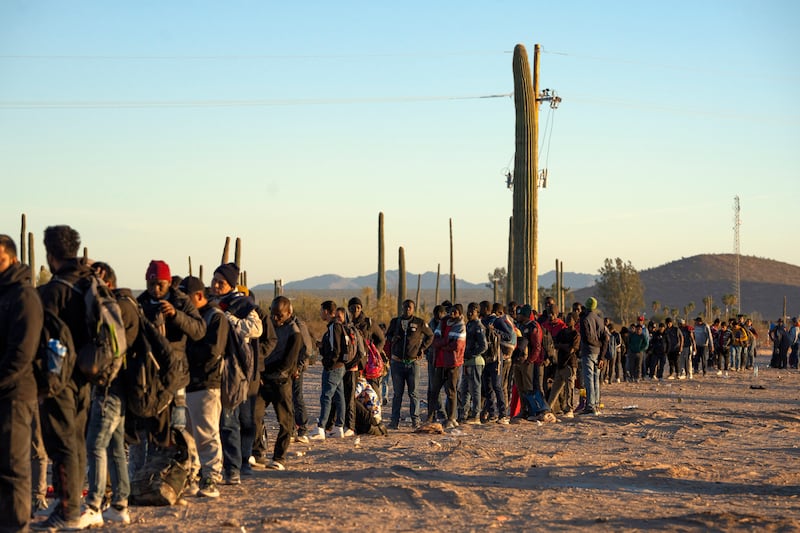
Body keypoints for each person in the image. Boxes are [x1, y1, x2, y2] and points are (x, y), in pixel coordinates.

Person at [130, 260, 206, 478]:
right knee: (147, 431)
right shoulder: (140, 304)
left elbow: (199, 330)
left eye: (160, 284)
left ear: (169, 282)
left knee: (179, 428)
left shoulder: (180, 302)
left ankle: (187, 475)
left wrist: (175, 316)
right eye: (151, 283)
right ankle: (144, 478)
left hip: (177, 376)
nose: (155, 289)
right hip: (148, 378)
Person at [82, 262, 137, 525]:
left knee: (96, 444)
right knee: (115, 448)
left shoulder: (116, 308)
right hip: (120, 388)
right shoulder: (129, 305)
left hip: (110, 388)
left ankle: (94, 504)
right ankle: (119, 505)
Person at [0, 235, 42, 532]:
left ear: (12, 258)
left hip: (15, 395)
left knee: (14, 469)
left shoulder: (23, 295)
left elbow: (22, 353)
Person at [211, 263, 263, 484]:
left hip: (235, 369)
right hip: (210, 368)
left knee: (234, 419)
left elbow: (256, 330)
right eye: (214, 280)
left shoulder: (242, 305)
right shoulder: (209, 303)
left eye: (220, 282)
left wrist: (229, 319)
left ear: (231, 284)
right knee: (215, 421)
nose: (215, 285)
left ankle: (236, 465)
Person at [180, 276, 227, 499]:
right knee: (187, 435)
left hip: (207, 384)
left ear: (198, 296)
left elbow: (212, 352)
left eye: (185, 297)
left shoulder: (215, 318)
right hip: (186, 384)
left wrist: (184, 356)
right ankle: (191, 476)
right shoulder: (189, 318)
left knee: (207, 434)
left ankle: (211, 477)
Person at [259, 296, 303, 470]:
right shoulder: (266, 327)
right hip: (263, 381)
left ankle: (279, 457)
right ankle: (257, 453)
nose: (275, 318)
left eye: (280, 315)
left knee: (285, 422)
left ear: (289, 313)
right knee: (253, 416)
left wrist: (266, 370)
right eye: (272, 313)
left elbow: (288, 362)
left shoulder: (295, 333)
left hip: (281, 381)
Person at [384, 300, 434, 430]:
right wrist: (392, 339)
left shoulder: (420, 322)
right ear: (402, 308)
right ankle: (394, 421)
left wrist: (422, 348)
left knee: (414, 393)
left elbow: (430, 336)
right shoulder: (395, 322)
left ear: (413, 309)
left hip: (413, 363)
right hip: (397, 363)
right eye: (405, 307)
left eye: (409, 307)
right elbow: (387, 335)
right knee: (397, 394)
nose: (407, 309)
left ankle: (415, 421)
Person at [310, 301, 348, 440]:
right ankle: (339, 427)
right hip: (340, 367)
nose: (320, 313)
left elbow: (335, 349)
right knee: (339, 396)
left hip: (333, 368)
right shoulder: (339, 326)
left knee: (326, 396)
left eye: (321, 310)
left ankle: (321, 427)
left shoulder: (333, 327)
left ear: (326, 311)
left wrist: (329, 363)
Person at [428, 304, 466, 429]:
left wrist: (442, 344)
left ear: (460, 313)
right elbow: (435, 341)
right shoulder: (443, 323)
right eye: (451, 310)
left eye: (456, 311)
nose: (453, 313)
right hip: (439, 362)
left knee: (451, 391)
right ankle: (430, 417)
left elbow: (457, 345)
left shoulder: (461, 326)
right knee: (434, 390)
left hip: (453, 363)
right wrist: (446, 342)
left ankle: (451, 418)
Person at [478, 301, 508, 424]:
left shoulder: (497, 321)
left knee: (497, 386)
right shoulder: (482, 322)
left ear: (486, 309)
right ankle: (492, 413)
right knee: (487, 387)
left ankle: (503, 414)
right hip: (485, 359)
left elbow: (508, 335)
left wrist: (495, 331)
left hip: (496, 359)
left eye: (481, 308)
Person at [458, 302, 487, 424]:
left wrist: (472, 354)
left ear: (477, 313)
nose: (469, 313)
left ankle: (476, 415)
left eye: (472, 311)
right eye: (468, 310)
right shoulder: (468, 324)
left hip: (475, 362)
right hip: (466, 362)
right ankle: (463, 414)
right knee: (465, 389)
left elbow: (483, 346)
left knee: (475, 388)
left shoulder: (478, 326)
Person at [548, 312, 580, 417]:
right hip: (561, 363)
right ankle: (549, 407)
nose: (567, 320)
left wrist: (561, 346)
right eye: (567, 317)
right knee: (555, 388)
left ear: (575, 321)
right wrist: (563, 346)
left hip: (570, 364)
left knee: (569, 389)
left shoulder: (576, 334)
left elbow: (572, 349)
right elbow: (554, 344)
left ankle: (569, 408)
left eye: (570, 318)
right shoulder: (562, 332)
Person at [578, 297, 606, 415]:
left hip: (588, 351)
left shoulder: (584, 319)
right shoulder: (600, 320)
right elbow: (606, 338)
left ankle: (590, 406)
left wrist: (596, 344)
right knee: (596, 379)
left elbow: (586, 338)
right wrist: (602, 356)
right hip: (598, 353)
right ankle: (596, 405)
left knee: (589, 378)